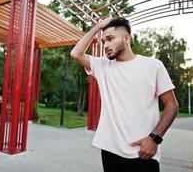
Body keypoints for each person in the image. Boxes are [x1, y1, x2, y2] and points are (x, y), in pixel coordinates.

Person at [70, 17, 179, 172]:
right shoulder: (103, 66)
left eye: (110, 39)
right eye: (103, 42)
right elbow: (75, 53)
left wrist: (155, 139)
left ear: (126, 38)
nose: (106, 45)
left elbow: (172, 106)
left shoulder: (153, 66)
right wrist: (98, 26)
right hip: (110, 152)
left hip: (143, 152)